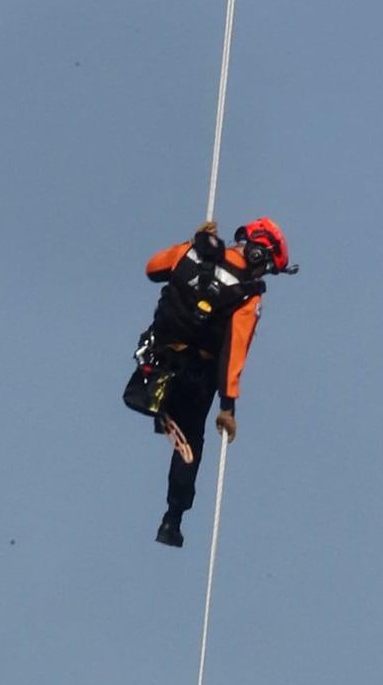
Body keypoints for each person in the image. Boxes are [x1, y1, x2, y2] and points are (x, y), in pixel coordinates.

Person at [123, 217, 292, 548]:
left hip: (158, 355)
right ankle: (172, 520)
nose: (265, 273)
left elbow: (152, 269)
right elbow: (234, 351)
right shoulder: (248, 293)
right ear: (259, 254)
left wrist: (190, 242)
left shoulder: (192, 251)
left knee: (161, 371)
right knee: (192, 443)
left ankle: (158, 402)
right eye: (268, 265)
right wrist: (228, 407)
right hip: (196, 375)